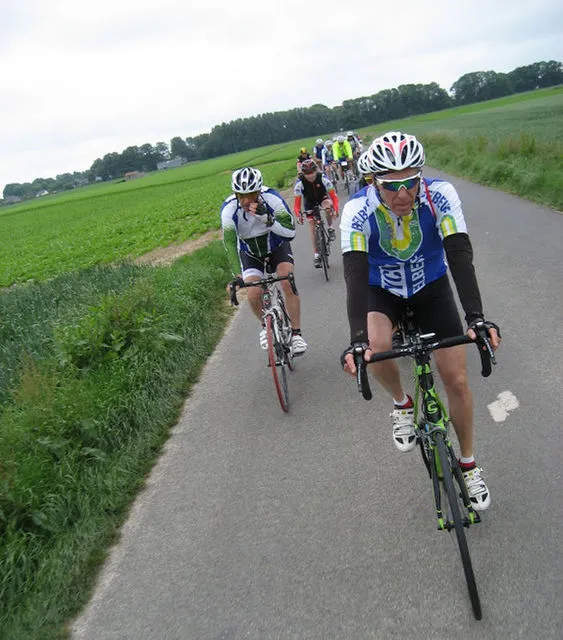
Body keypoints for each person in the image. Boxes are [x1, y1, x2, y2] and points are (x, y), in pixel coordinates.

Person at [340, 131, 501, 511]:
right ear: (373, 181)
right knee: (377, 350)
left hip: (431, 285)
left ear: (421, 177)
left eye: (411, 182)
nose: (403, 194)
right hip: (383, 290)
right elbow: (354, 275)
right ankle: (401, 402)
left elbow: (459, 255)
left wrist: (476, 318)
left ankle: (469, 463)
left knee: (457, 380)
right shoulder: (357, 211)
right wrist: (357, 338)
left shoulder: (439, 197)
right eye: (391, 186)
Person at [221, 167, 307, 355]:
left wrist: (268, 219)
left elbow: (290, 233)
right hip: (250, 253)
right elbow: (229, 243)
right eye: (241, 195)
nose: (246, 201)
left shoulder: (273, 199)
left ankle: (296, 334)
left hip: (277, 247)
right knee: (253, 293)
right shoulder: (229, 209)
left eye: (251, 195)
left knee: (286, 281)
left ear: (259, 191)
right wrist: (237, 275)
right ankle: (265, 326)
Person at [293, 159, 339, 268]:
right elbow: (296, 205)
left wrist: (335, 209)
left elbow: (334, 197)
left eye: (312, 172)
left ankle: (330, 227)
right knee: (312, 227)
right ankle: (316, 255)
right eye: (307, 173)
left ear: (316, 170)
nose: (310, 176)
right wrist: (298, 214)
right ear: (303, 173)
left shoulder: (322, 178)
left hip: (322, 197)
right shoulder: (299, 183)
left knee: (328, 207)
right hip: (309, 202)